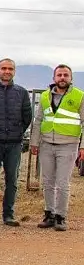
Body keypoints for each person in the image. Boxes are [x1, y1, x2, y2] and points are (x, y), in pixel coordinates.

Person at [30, 64, 84, 232]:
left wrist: (83, 146)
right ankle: (49, 214)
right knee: (47, 182)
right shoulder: (45, 96)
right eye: (59, 75)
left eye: (65, 75)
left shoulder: (79, 96)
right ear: (54, 78)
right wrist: (34, 142)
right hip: (47, 144)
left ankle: (61, 216)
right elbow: (38, 120)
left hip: (68, 145)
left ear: (71, 78)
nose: (62, 78)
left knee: (62, 183)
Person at [0, 58, 32, 227]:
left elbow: (27, 117)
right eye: (4, 68)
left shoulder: (22, 93)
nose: (7, 71)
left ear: (14, 71)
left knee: (12, 180)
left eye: (10, 69)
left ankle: (8, 214)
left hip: (14, 143)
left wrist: (17, 131)